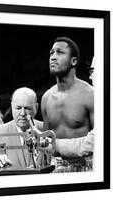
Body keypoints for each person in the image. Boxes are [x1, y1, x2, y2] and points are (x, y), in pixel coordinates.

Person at [40, 37, 94, 171]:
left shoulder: (90, 94)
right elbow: (45, 143)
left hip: (85, 169)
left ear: (73, 61)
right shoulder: (47, 97)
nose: (53, 57)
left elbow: (101, 139)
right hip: (54, 169)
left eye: (59, 52)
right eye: (51, 53)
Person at [0, 87, 43, 169]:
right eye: (18, 108)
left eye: (27, 108)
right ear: (11, 107)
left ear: (36, 108)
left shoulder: (47, 130)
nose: (23, 113)